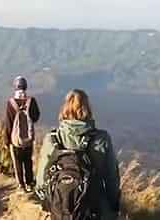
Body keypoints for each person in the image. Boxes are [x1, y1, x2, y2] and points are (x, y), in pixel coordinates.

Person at [35, 89, 121, 220]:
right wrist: (114, 205)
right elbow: (111, 178)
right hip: (94, 208)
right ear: (87, 109)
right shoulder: (101, 139)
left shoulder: (52, 139)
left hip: (61, 207)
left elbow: (41, 178)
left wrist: (48, 202)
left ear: (65, 108)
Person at [5, 76, 40, 193]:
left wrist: (7, 140)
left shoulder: (11, 103)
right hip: (28, 139)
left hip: (16, 140)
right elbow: (36, 117)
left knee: (18, 162)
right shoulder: (31, 101)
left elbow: (8, 123)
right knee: (28, 161)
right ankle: (30, 183)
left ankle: (21, 185)